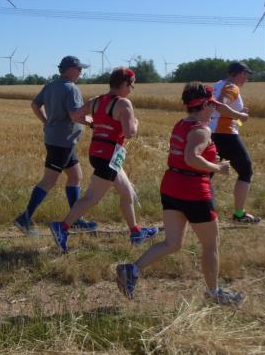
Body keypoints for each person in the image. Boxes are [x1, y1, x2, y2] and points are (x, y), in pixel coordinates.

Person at [116, 82, 248, 305]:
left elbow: (185, 154)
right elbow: (191, 157)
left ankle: (132, 269)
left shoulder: (181, 124)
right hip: (194, 191)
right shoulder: (201, 129)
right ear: (204, 105)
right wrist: (218, 168)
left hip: (171, 186)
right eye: (213, 105)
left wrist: (209, 159)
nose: (215, 109)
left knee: (172, 243)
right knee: (211, 245)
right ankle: (214, 293)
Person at [49, 68, 159, 252]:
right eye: (131, 85)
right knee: (91, 198)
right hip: (109, 156)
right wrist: (136, 123)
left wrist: (94, 123)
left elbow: (75, 115)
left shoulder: (96, 101)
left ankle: (136, 232)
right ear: (123, 84)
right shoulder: (124, 104)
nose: (132, 89)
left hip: (98, 153)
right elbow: (129, 133)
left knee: (127, 193)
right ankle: (62, 227)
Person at [14, 56, 97, 235]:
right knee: (49, 180)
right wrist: (92, 122)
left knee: (76, 176)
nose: (81, 72)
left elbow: (35, 105)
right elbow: (75, 115)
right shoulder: (71, 88)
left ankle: (75, 219)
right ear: (70, 69)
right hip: (62, 142)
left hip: (60, 140)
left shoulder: (51, 85)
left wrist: (46, 122)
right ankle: (25, 218)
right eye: (79, 69)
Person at [208, 62, 258, 223]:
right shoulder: (232, 87)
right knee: (246, 171)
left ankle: (197, 212)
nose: (247, 79)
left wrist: (239, 117)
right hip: (225, 135)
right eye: (247, 75)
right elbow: (220, 106)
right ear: (240, 73)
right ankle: (239, 214)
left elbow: (220, 112)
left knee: (206, 173)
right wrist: (240, 115)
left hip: (211, 132)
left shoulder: (218, 84)